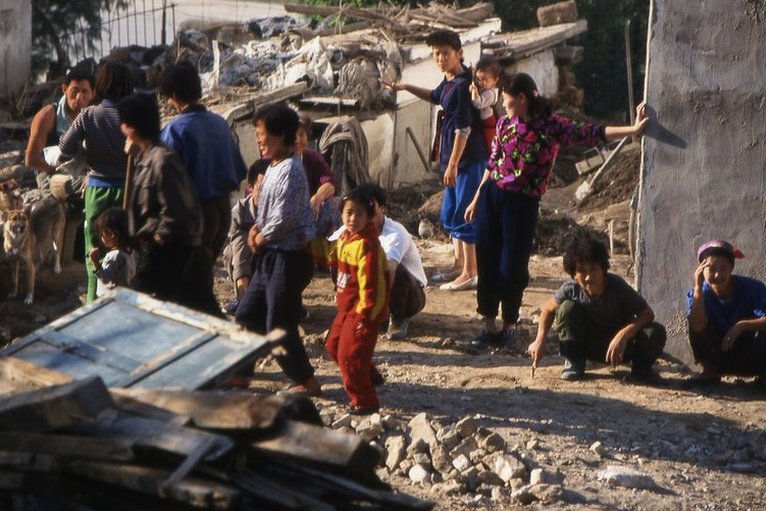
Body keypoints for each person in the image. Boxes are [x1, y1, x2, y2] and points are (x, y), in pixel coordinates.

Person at [465, 73, 649, 348]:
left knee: (512, 266)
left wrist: (632, 130)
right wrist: (477, 197)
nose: (503, 104)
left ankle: (509, 325)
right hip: (493, 197)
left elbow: (593, 133)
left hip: (522, 204)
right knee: (487, 259)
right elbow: (493, 164)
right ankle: (489, 326)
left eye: (506, 98)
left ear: (521, 98)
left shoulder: (551, 126)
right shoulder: (505, 124)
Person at [382, 29, 488, 292]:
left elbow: (464, 129)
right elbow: (434, 96)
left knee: (465, 212)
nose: (440, 58)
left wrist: (452, 164)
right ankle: (459, 264)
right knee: (451, 212)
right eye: (436, 53)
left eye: (445, 53)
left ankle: (471, 271)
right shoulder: (450, 80)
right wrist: (405, 87)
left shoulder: (463, 86)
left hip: (467, 160)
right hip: (454, 158)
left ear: (459, 53)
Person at [235, 104, 320, 396]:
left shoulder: (292, 170)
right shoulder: (272, 167)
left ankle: (306, 381)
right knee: (247, 315)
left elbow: (285, 218)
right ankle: (239, 375)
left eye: (262, 133)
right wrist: (256, 230)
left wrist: (262, 235)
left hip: (289, 257)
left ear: (281, 135)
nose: (259, 139)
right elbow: (268, 212)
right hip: (270, 255)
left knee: (279, 324)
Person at [117, 92, 219, 315]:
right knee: (198, 309)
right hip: (168, 252)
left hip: (168, 253)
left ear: (132, 127)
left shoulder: (162, 160)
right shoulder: (148, 157)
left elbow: (176, 209)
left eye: (124, 124)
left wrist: (159, 236)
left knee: (137, 305)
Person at [528, 237, 666, 382]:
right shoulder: (571, 289)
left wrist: (624, 335)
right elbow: (548, 309)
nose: (589, 277)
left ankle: (641, 371)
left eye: (593, 269)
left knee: (654, 332)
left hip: (621, 349)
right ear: (574, 275)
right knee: (566, 308)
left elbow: (647, 314)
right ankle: (574, 363)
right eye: (582, 271)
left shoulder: (617, 287)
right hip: (589, 345)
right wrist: (540, 339)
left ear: (603, 269)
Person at [59, 61, 134, 303]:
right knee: (126, 252)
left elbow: (65, 147)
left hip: (97, 190)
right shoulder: (133, 116)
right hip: (128, 190)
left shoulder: (89, 115)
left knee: (94, 252)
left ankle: (94, 305)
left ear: (100, 85)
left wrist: (86, 152)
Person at [159, 61, 248, 263]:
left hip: (192, 216)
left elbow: (165, 183)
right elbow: (238, 171)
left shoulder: (174, 131)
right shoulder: (221, 124)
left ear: (174, 95)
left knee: (188, 274)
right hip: (222, 211)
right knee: (204, 271)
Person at [317, 186, 390, 414]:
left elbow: (372, 285)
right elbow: (330, 255)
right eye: (349, 213)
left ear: (369, 217)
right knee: (334, 346)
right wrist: (306, 245)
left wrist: (365, 315)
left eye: (359, 214)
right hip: (346, 309)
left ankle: (365, 401)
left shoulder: (367, 245)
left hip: (362, 313)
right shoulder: (345, 239)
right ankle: (369, 375)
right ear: (341, 214)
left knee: (350, 357)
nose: (353, 219)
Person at [329, 184, 427, 340]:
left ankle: (397, 318)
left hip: (409, 295)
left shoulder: (395, 233)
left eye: (370, 206)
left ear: (382, 208)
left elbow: (390, 270)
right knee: (338, 252)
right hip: (370, 292)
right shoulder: (350, 229)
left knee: (388, 267)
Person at [685, 240, 766, 386]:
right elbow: (697, 325)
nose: (717, 275)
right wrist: (697, 286)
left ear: (731, 269)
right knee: (693, 319)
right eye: (711, 269)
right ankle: (709, 372)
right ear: (701, 269)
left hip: (750, 356)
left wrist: (741, 326)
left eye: (723, 269)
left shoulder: (752, 288)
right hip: (718, 356)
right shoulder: (699, 294)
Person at [25, 65, 94, 195]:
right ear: (64, 89)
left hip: (81, 173)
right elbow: (31, 159)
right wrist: (55, 170)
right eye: (74, 91)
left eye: (84, 92)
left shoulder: (94, 117)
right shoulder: (48, 115)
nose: (79, 97)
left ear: (92, 93)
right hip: (51, 174)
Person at [220, 159, 268, 315]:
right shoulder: (240, 210)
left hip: (271, 262)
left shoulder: (279, 209)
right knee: (234, 247)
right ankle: (242, 296)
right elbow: (235, 243)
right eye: (262, 188)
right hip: (247, 262)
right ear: (251, 187)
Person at [88, 207, 135, 298]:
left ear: (111, 234)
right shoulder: (131, 251)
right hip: (124, 294)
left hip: (109, 297)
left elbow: (105, 278)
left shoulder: (114, 256)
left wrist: (95, 262)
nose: (101, 239)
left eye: (102, 235)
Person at [470, 58, 502, 155]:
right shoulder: (486, 87)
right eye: (478, 79)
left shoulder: (491, 93)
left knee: (491, 150)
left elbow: (478, 104)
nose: (480, 82)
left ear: (495, 80)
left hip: (488, 123)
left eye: (484, 80)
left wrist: (474, 91)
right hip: (484, 122)